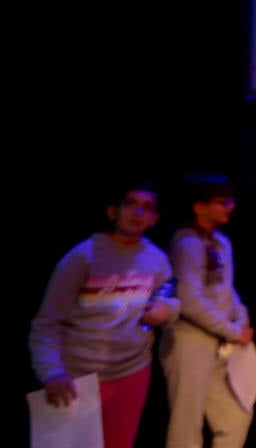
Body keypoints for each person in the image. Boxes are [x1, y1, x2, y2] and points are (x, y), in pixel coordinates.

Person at [29, 178, 179, 448]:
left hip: (130, 373)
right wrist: (52, 372)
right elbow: (47, 323)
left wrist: (167, 308)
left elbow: (170, 297)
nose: (137, 213)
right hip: (77, 376)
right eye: (130, 204)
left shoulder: (157, 259)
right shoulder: (83, 257)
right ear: (113, 211)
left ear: (155, 218)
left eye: (147, 207)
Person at [159, 171, 255, 448]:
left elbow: (225, 287)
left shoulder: (221, 242)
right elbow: (190, 301)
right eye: (221, 202)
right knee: (186, 427)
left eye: (230, 201)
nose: (230, 207)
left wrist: (241, 315)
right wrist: (233, 330)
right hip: (188, 343)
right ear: (200, 207)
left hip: (216, 344)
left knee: (234, 418)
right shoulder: (187, 244)